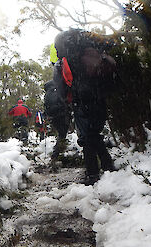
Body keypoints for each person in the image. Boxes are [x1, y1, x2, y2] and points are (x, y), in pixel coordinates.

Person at [45, 28, 116, 185]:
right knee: (94, 134)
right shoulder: (89, 53)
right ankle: (108, 168)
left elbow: (62, 90)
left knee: (87, 137)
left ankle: (93, 174)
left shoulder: (62, 63)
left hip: (81, 100)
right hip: (99, 98)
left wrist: (68, 101)